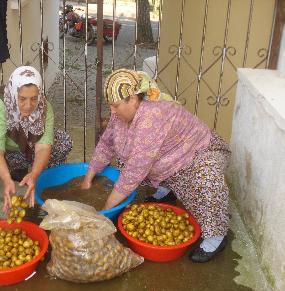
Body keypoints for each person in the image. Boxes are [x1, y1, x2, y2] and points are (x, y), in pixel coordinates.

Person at [81, 69, 231, 263]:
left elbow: (135, 171)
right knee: (125, 159)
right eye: (110, 106)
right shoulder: (121, 116)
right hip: (167, 157)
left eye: (116, 105)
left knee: (206, 180)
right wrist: (87, 179)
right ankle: (165, 191)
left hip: (198, 153)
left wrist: (104, 211)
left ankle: (216, 236)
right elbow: (107, 144)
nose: (112, 111)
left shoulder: (152, 116)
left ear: (133, 99)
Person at [0, 66, 72, 224]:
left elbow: (43, 147)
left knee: (61, 141)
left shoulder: (44, 108)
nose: (28, 105)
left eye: (34, 98)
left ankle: (30, 177)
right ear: (13, 93)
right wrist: (6, 180)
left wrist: (35, 174)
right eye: (22, 99)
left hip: (18, 148)